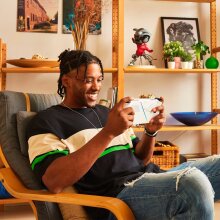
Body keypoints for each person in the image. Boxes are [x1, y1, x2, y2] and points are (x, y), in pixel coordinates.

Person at [27, 49, 220, 220]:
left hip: (152, 178)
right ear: (66, 81)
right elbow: (53, 181)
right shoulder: (46, 121)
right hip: (119, 195)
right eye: (88, 80)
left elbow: (141, 160)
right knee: (193, 184)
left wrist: (150, 132)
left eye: (99, 79)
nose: (96, 86)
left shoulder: (107, 112)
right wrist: (108, 133)